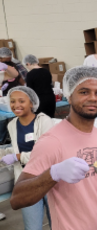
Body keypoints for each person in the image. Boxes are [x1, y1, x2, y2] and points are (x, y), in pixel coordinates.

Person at [10, 66, 97, 230]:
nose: (93, 98)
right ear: (69, 97)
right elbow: (17, 199)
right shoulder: (51, 142)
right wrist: (53, 174)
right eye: (84, 92)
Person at [0, 86, 53, 229]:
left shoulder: (44, 121)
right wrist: (5, 153)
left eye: (21, 101)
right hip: (26, 180)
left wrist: (17, 156)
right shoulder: (12, 125)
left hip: (48, 177)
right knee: (32, 226)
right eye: (12, 101)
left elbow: (45, 154)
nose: (16, 105)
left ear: (32, 103)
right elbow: (20, 147)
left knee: (57, 223)